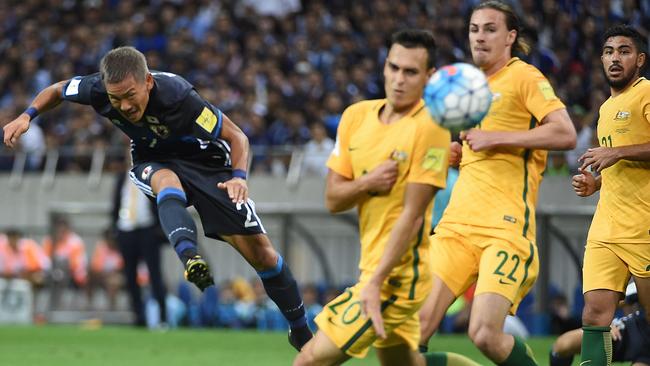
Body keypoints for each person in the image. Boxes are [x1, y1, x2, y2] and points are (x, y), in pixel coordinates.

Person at [2, 46, 312, 349]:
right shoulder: (97, 89)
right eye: (116, 98)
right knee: (166, 181)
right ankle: (190, 256)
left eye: (130, 95)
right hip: (152, 158)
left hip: (208, 165)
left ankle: (299, 330)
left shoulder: (180, 97)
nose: (123, 106)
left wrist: (239, 178)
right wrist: (27, 116)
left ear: (147, 81)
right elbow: (57, 89)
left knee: (263, 254)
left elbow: (237, 137)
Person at [294, 29, 478, 366]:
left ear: (429, 77)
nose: (399, 79)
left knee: (308, 360)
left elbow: (412, 215)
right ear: (384, 67)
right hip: (373, 273)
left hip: (398, 280)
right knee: (402, 363)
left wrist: (375, 284)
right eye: (393, 68)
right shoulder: (355, 117)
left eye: (410, 72)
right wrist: (368, 182)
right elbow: (334, 199)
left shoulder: (431, 127)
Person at [418, 1, 577, 365]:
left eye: (490, 29)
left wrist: (497, 138)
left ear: (510, 36)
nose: (480, 36)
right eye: (474, 29)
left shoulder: (525, 77)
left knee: (484, 334)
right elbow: (479, 145)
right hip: (456, 227)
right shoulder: (470, 85)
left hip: (504, 229)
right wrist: (460, 152)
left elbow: (565, 133)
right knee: (413, 327)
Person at [571, 24, 650, 366]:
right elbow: (620, 164)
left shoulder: (646, 94)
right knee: (594, 316)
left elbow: (620, 155)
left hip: (644, 227)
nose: (615, 58)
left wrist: (616, 153)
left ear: (640, 59)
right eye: (608, 52)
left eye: (624, 51)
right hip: (607, 228)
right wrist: (597, 184)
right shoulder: (605, 109)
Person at [111, 168, 168, 327]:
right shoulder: (122, 176)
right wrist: (115, 226)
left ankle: (162, 316)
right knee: (130, 275)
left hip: (147, 228)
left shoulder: (150, 173)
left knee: (155, 274)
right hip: (126, 228)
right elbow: (117, 201)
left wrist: (159, 226)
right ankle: (138, 316)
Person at [550, 282, 650, 366]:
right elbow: (612, 302)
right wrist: (607, 323)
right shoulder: (645, 281)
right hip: (630, 332)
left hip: (647, 354)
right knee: (563, 345)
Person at [86, 228, 124, 311]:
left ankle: (112, 308)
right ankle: (89, 304)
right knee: (88, 276)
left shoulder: (120, 250)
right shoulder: (101, 247)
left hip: (115, 276)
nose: (111, 241)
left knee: (114, 281)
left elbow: (120, 268)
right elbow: (95, 265)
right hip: (101, 275)